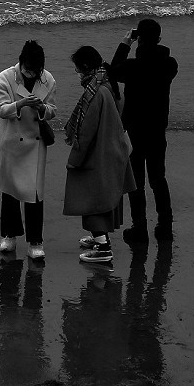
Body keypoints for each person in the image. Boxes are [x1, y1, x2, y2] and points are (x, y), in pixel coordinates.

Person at [64, 45, 137, 264]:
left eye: (77, 69)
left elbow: (85, 133)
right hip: (114, 150)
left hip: (99, 155)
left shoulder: (94, 94)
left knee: (91, 200)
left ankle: (103, 248)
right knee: (107, 198)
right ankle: (101, 238)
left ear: (85, 67)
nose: (77, 73)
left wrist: (74, 160)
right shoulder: (109, 84)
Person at [110, 18, 179, 244]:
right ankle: (165, 225)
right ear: (159, 39)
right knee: (158, 178)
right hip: (158, 130)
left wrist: (125, 44)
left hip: (135, 131)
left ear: (139, 39)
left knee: (137, 181)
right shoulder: (169, 65)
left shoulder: (132, 67)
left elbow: (112, 72)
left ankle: (139, 228)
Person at [0, 41, 58, 259]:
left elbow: (53, 111)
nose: (32, 74)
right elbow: (0, 109)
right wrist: (20, 105)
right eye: (28, 69)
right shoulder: (5, 77)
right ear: (21, 63)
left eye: (36, 70)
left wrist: (41, 108)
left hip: (35, 144)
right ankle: (8, 235)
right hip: (12, 142)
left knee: (35, 195)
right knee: (10, 192)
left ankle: (35, 241)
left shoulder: (48, 79)